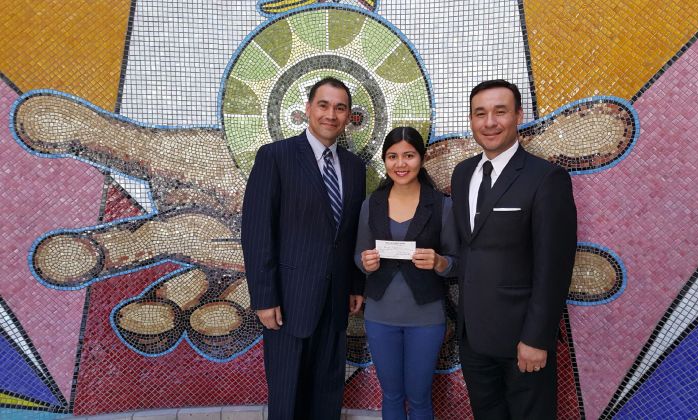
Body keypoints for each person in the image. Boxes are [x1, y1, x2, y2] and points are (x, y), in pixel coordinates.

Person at [450, 80, 577, 419]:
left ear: (518, 116)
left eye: (500, 112)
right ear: (471, 120)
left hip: (522, 339)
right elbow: (470, 248)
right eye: (480, 113)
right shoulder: (462, 175)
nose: (489, 122)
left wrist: (537, 338)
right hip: (474, 336)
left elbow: (554, 266)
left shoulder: (546, 178)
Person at [241, 77, 367, 419]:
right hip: (288, 300)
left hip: (336, 299)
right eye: (323, 105)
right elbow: (256, 231)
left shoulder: (355, 168)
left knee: (327, 392)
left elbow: (352, 231)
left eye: (340, 108)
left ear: (348, 117)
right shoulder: (275, 157)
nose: (331, 114)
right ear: (308, 109)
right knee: (287, 394)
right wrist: (264, 298)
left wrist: (356, 284)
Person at [355, 127, 458, 419]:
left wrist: (440, 263)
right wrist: (365, 263)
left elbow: (457, 260)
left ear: (422, 159)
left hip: (426, 317)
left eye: (409, 155)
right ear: (385, 161)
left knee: (419, 396)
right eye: (393, 156)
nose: (401, 164)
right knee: (391, 395)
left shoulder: (442, 206)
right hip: (379, 316)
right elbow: (358, 254)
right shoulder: (371, 205)